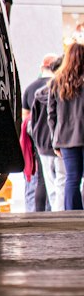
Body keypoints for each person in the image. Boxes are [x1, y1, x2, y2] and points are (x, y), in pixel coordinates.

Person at [47, 41, 84, 210]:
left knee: (72, 178)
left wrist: (55, 141)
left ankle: (73, 215)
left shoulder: (56, 82)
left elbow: (51, 115)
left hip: (65, 138)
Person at [23, 53, 62, 211]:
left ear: (42, 67)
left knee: (42, 180)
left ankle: (39, 213)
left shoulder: (32, 89)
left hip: (40, 140)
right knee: (63, 179)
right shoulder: (63, 87)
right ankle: (61, 211)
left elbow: (26, 118)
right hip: (61, 139)